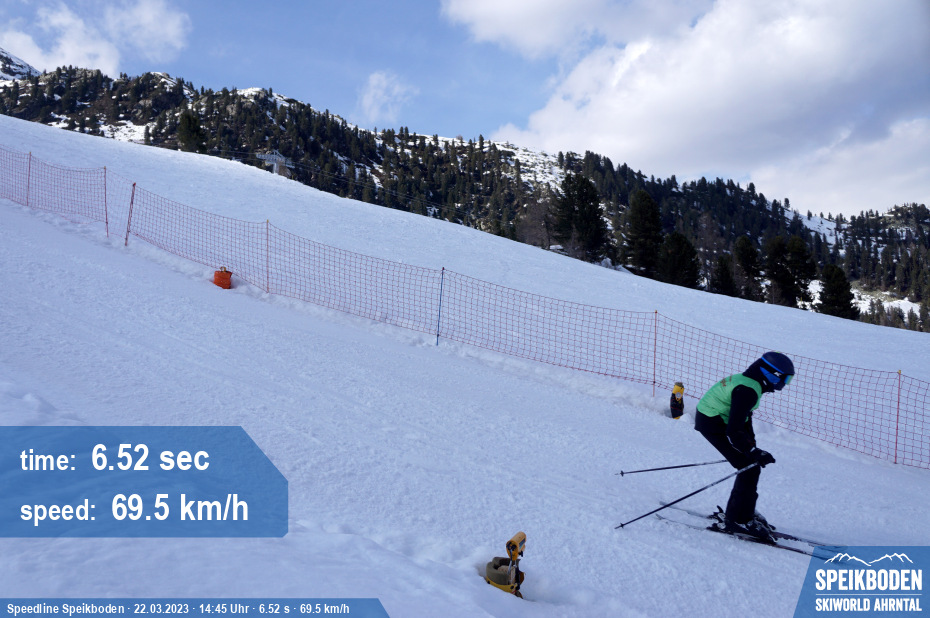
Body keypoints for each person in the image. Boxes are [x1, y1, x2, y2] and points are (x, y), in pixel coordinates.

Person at [694, 351, 794, 540]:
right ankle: (738, 519)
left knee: (750, 465)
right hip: (712, 423)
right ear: (773, 374)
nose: (785, 384)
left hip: (716, 419)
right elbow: (734, 430)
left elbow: (745, 419)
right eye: (785, 379)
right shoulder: (747, 390)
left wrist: (752, 448)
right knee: (748, 468)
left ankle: (742, 511)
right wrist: (752, 451)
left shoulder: (750, 383)